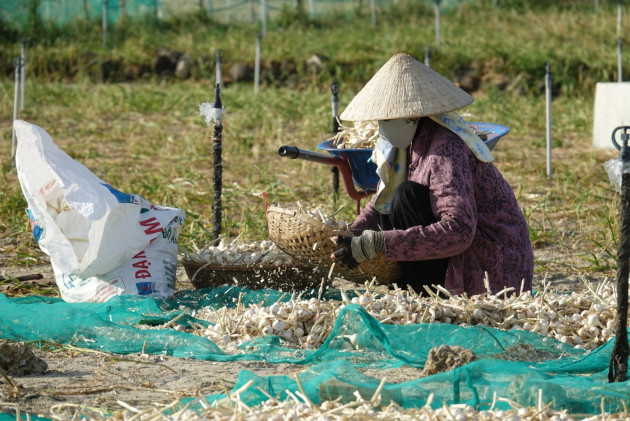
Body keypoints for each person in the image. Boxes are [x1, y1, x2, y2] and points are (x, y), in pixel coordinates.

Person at [330, 53, 534, 296]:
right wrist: (351, 234)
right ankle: (417, 285)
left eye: (386, 119)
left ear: (412, 117)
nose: (381, 127)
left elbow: (459, 230)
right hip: (461, 251)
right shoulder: (406, 145)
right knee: (397, 200)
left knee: (407, 197)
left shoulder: (445, 149)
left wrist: (380, 243)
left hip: (491, 267)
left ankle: (428, 294)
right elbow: (382, 201)